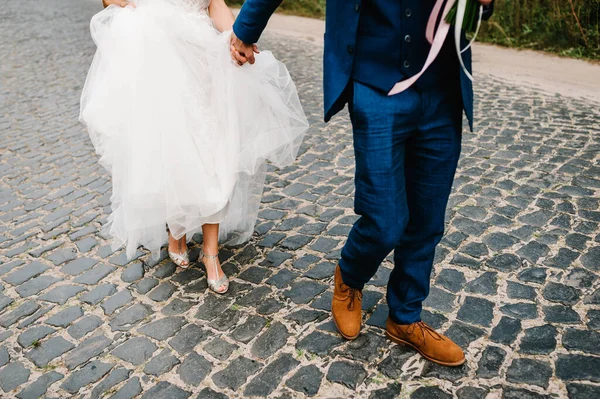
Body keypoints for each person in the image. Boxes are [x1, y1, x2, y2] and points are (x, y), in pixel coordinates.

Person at [231, 0, 493, 366]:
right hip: (375, 85)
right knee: (384, 220)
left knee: (427, 220)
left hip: (442, 89)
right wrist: (245, 29)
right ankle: (349, 276)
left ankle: (405, 317)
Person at [80, 0, 308, 294]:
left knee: (213, 147)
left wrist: (234, 39)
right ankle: (177, 229)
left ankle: (210, 252)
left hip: (203, 56)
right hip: (160, 57)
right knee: (173, 144)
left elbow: (216, 3)